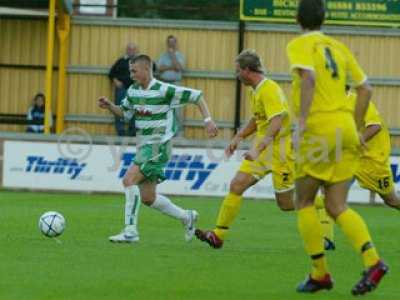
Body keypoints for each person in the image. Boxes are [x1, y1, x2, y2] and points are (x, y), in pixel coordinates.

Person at [286, 0, 387, 295]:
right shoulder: (339, 47)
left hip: (319, 128)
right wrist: (354, 127)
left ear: (297, 18)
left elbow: (309, 77)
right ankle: (373, 261)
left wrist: (302, 122)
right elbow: (366, 88)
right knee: (336, 206)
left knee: (303, 201)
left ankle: (320, 274)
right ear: (324, 18)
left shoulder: (301, 44)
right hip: (345, 128)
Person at [98, 54, 218, 243]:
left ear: (146, 69)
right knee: (148, 197)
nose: (131, 74)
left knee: (129, 180)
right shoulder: (133, 91)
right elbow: (125, 114)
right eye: (130, 71)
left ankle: (130, 231)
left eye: (134, 70)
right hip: (144, 147)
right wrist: (110, 106)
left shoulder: (164, 90)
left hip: (158, 147)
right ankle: (186, 216)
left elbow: (197, 96)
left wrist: (208, 121)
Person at [195, 49, 295, 248]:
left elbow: (276, 122)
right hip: (263, 150)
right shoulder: (255, 90)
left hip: (280, 152)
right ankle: (218, 235)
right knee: (237, 184)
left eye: (238, 70)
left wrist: (259, 148)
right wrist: (239, 136)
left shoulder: (269, 89)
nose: (237, 74)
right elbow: (258, 119)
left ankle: (322, 204)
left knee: (285, 204)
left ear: (248, 71)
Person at [346, 89, 400, 209]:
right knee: (331, 195)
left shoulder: (359, 102)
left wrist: (354, 143)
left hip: (372, 160)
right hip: (350, 158)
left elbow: (375, 126)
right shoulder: (332, 106)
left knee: (392, 200)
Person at [157, 35, 185, 136]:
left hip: (175, 83)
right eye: (169, 42)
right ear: (167, 43)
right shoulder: (162, 55)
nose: (171, 44)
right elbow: (159, 68)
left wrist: (172, 55)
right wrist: (171, 67)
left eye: (173, 42)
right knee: (164, 108)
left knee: (177, 109)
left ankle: (179, 133)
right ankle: (165, 133)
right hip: (164, 83)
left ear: (176, 43)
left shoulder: (180, 55)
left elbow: (178, 68)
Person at [109, 42, 137, 136]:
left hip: (134, 90)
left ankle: (132, 131)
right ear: (126, 50)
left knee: (134, 109)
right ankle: (120, 131)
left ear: (136, 51)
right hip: (122, 89)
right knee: (119, 109)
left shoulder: (139, 62)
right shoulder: (121, 61)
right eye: (129, 49)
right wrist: (116, 81)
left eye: (133, 49)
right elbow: (111, 73)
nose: (131, 51)